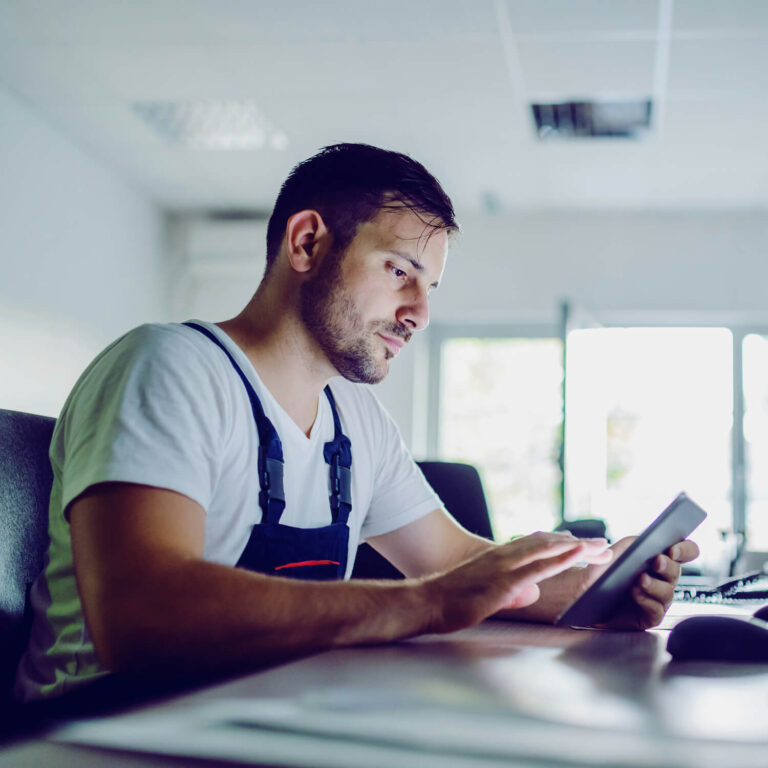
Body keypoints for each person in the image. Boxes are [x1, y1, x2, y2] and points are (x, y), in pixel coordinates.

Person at [15, 143, 698, 702]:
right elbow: (141, 615)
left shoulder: (356, 423)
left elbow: (460, 565)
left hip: (259, 714)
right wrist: (423, 604)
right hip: (103, 735)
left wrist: (604, 587)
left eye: (428, 287)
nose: (418, 313)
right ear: (308, 243)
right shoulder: (166, 367)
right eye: (400, 270)